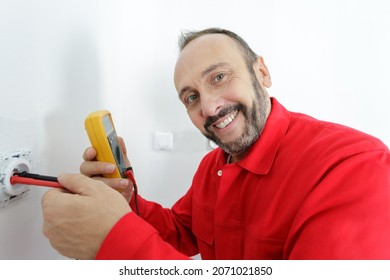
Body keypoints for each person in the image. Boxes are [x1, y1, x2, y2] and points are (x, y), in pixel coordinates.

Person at [41, 28, 390, 260]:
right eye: (191, 97)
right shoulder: (214, 166)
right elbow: (179, 231)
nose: (208, 107)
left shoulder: (354, 165)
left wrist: (113, 240)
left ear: (262, 72)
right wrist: (127, 202)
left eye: (219, 77)